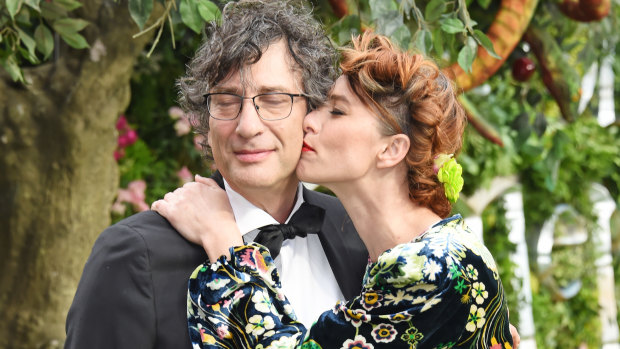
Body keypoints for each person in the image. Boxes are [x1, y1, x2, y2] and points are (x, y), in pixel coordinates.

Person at [153, 32, 515, 348]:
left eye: (336, 112)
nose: (309, 120)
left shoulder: (433, 267)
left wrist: (224, 242)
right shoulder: (394, 260)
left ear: (391, 149)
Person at [64, 1, 368, 348]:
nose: (247, 126)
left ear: (311, 113)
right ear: (205, 121)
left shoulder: (355, 232)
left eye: (273, 100)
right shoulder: (135, 255)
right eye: (226, 100)